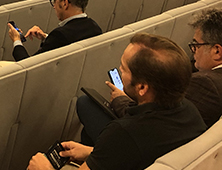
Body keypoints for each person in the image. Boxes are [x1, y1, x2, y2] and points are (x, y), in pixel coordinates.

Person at [0, 32, 206, 170]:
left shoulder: (125, 133)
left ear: (143, 87)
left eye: (123, 69)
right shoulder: (189, 113)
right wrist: (91, 152)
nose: (119, 73)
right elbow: (139, 154)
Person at [77, 9, 222, 144]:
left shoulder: (206, 83)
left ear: (217, 51)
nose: (193, 51)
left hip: (147, 142)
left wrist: (120, 99)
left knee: (85, 103)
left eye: (196, 45)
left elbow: (159, 121)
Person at [8, 0, 102, 61]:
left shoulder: (60, 35)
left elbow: (27, 65)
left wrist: (17, 40)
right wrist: (46, 37)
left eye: (54, 1)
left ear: (65, 3)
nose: (54, 7)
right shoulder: (94, 27)